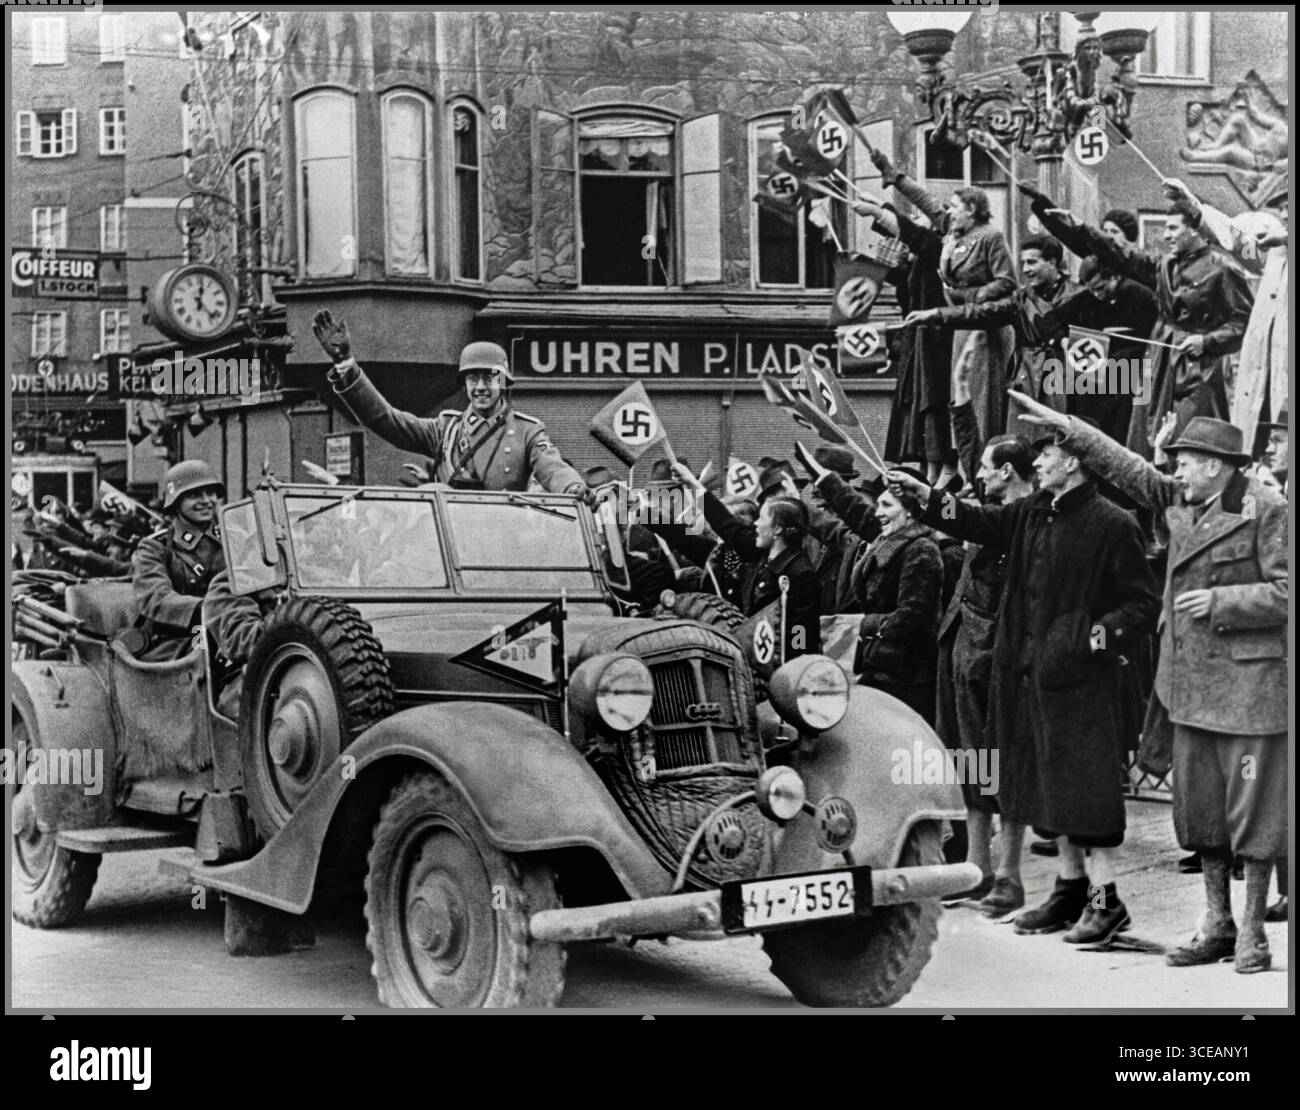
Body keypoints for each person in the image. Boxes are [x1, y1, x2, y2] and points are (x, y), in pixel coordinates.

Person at [1010, 393, 1288, 973]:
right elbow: (1126, 467)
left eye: (1184, 460)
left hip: (1249, 693)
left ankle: (1253, 934)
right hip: (1187, 689)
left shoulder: (1267, 508)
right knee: (1201, 814)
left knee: (1254, 817)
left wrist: (1220, 600)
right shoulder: (1180, 500)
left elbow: (1286, 593)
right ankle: (1217, 922)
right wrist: (1069, 428)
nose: (1175, 469)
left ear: (1215, 465)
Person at [888, 424, 1159, 944]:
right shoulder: (1033, 512)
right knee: (1049, 791)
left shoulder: (1114, 523)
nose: (1038, 464)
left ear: (1076, 462)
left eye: (1048, 454)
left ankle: (1107, 904)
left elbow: (1142, 604)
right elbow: (976, 519)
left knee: (1087, 794)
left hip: (1081, 684)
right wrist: (925, 498)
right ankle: (1069, 889)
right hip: (1029, 681)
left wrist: (1089, 643)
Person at [1023, 187, 1254, 454]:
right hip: (1158, 359)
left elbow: (1243, 321)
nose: (1166, 235)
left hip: (1197, 364)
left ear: (1196, 229)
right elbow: (1118, 253)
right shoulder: (1164, 265)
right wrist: (1080, 227)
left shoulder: (1224, 268)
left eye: (1172, 228)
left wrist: (1207, 341)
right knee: (1147, 432)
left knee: (1190, 434)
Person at [933, 367, 1037, 911]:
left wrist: (926, 497)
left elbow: (966, 519)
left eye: (984, 469)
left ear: (1008, 474)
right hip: (962, 651)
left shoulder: (1021, 520)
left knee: (999, 764)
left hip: (992, 659)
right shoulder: (999, 510)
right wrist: (958, 402)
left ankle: (1006, 874)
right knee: (969, 764)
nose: (976, 474)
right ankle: (979, 866)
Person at [311, 310, 588, 499]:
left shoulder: (527, 432)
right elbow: (386, 420)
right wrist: (345, 363)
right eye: (472, 379)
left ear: (502, 382)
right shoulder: (445, 429)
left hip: (501, 543)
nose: (480, 387)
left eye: (488, 379)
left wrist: (572, 487)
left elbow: (552, 467)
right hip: (448, 544)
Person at [874, 152, 1017, 443]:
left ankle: (978, 466)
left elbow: (1006, 281)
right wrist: (894, 176)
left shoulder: (991, 237)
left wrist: (967, 295)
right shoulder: (955, 234)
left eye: (955, 207)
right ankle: (967, 470)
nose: (949, 213)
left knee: (980, 398)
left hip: (984, 328)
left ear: (972, 210)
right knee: (959, 397)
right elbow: (926, 202)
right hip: (960, 327)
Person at [800, 451, 941, 720]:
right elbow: (854, 511)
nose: (878, 513)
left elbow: (914, 615)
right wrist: (822, 476)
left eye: (887, 506)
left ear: (910, 512)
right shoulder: (888, 539)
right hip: (882, 664)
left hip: (907, 675)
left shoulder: (921, 550)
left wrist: (862, 625)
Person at [1165, 177, 1288, 455]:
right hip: (1267, 381)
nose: (1284, 215)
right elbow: (1236, 241)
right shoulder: (1274, 256)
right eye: (1281, 209)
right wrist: (1192, 206)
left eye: (1289, 206)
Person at [673, 462, 820, 659]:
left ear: (777, 529)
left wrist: (795, 664)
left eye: (762, 519)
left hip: (776, 667)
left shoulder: (800, 574)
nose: (756, 524)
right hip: (749, 656)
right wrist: (691, 483)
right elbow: (725, 524)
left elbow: (801, 631)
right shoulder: (757, 552)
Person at [852, 196, 954, 479]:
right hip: (917, 340)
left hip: (935, 339)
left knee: (931, 402)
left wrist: (880, 211)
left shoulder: (938, 252)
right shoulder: (920, 261)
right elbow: (897, 270)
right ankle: (926, 465)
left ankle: (941, 466)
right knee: (916, 404)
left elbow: (913, 235)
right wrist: (861, 261)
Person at [131, 460, 227, 661]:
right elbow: (155, 599)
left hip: (235, 627)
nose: (206, 500)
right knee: (208, 660)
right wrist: (208, 608)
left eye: (210, 493)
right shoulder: (156, 547)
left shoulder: (233, 538)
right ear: (176, 502)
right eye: (194, 495)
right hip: (183, 637)